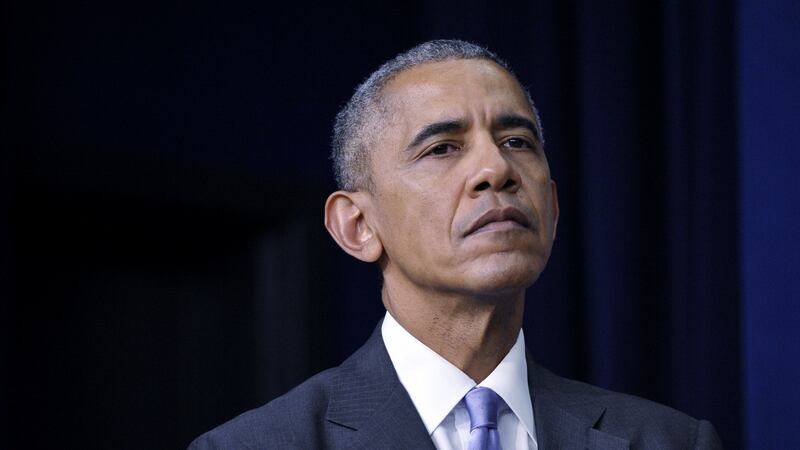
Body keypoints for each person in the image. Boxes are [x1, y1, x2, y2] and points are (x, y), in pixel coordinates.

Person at [188, 40, 722, 449]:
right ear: (357, 226)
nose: (496, 169)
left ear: (553, 209)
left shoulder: (671, 440)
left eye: (517, 142)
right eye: (443, 148)